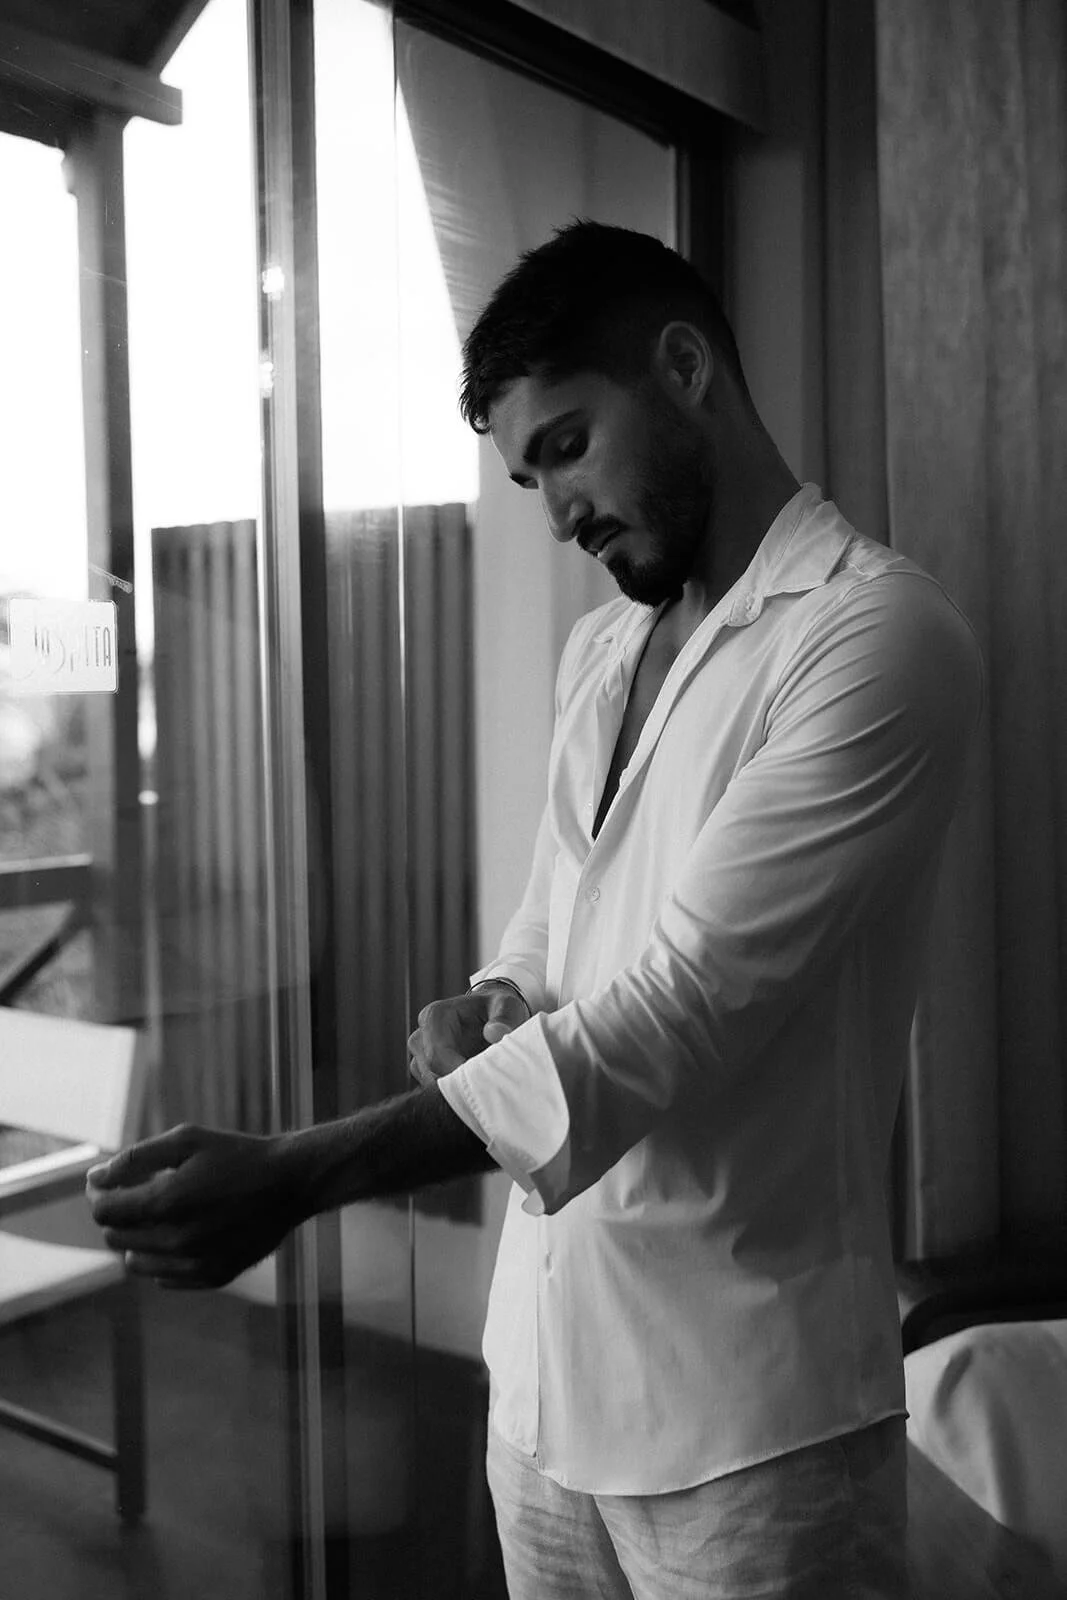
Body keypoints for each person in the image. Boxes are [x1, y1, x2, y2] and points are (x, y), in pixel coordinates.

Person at [88, 220, 983, 1598]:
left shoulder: (873, 636)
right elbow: (548, 929)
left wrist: (298, 1172)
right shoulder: (603, 646)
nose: (554, 511)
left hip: (747, 1430)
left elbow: (678, 1010)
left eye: (566, 444)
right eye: (524, 477)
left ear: (682, 367)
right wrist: (491, 999)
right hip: (541, 1387)